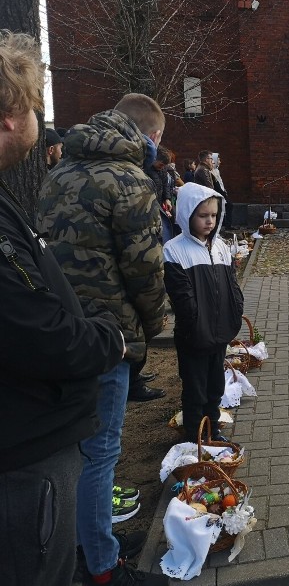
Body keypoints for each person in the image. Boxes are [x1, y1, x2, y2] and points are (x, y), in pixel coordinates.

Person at [0, 30, 125, 586]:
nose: (40, 122)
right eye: (34, 107)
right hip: (26, 453)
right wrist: (110, 338)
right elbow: (34, 328)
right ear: (9, 115)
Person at [37, 93, 168, 586]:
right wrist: (151, 327)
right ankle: (102, 567)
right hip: (108, 334)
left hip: (60, 330)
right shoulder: (131, 180)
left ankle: (86, 540)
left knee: (74, 445)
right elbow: (145, 269)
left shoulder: (60, 172)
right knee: (101, 451)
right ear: (150, 136)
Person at [164, 182, 244, 444]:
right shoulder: (174, 250)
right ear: (187, 214)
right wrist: (196, 325)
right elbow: (182, 297)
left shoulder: (219, 246)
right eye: (203, 216)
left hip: (218, 333)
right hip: (194, 336)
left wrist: (234, 313)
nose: (209, 221)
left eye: (213, 215)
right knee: (195, 389)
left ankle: (213, 429)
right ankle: (194, 437)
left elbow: (231, 285)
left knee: (214, 387)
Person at [210, 153, 234, 229]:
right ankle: (226, 224)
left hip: (222, 192)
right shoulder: (212, 171)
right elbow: (216, 184)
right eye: (218, 160)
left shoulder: (216, 170)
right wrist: (222, 192)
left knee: (225, 207)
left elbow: (220, 182)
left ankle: (225, 224)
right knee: (228, 206)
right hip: (218, 193)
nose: (220, 162)